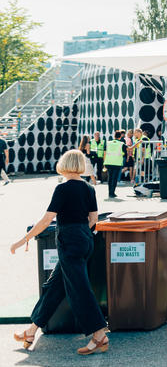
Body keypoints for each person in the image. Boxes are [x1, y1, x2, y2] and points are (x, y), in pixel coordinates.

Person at [10, 150, 109, 355]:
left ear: (64, 164)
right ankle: (31, 330)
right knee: (54, 287)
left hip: (69, 241)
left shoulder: (62, 188)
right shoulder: (89, 188)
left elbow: (47, 220)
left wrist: (23, 240)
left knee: (79, 289)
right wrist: (82, 233)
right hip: (84, 238)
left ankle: (99, 334)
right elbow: (93, 219)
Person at [102, 130, 127, 199]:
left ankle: (110, 193)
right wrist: (139, 143)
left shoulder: (108, 143)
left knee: (110, 178)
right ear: (120, 137)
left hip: (108, 163)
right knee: (114, 178)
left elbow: (104, 153)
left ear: (114, 136)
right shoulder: (121, 144)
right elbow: (129, 149)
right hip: (117, 163)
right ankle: (112, 193)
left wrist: (104, 163)